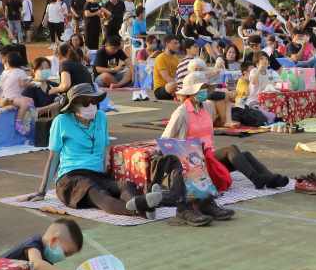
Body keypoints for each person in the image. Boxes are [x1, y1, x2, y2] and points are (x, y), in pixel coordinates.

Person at [32, 83, 192, 221]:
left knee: (125, 185)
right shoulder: (61, 121)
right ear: (74, 106)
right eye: (86, 102)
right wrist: (42, 190)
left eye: (94, 101)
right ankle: (140, 209)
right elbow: (53, 157)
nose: (91, 106)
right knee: (98, 193)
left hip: (97, 173)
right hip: (71, 176)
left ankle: (143, 205)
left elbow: (104, 149)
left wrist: (106, 172)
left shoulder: (101, 117)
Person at [160, 72, 290, 199]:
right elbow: (165, 141)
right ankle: (257, 179)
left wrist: (228, 110)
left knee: (245, 155)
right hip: (194, 161)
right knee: (231, 149)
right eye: (202, 88)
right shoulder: (181, 113)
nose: (205, 91)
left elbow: (226, 99)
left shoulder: (206, 107)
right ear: (191, 92)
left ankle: (269, 178)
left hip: (209, 156)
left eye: (205, 88)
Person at [151, 35, 182, 101]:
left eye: (178, 43)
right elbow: (167, 78)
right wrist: (181, 86)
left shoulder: (176, 59)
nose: (178, 45)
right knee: (173, 85)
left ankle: (178, 94)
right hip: (161, 90)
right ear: (167, 44)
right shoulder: (160, 58)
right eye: (175, 43)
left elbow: (179, 75)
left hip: (174, 86)